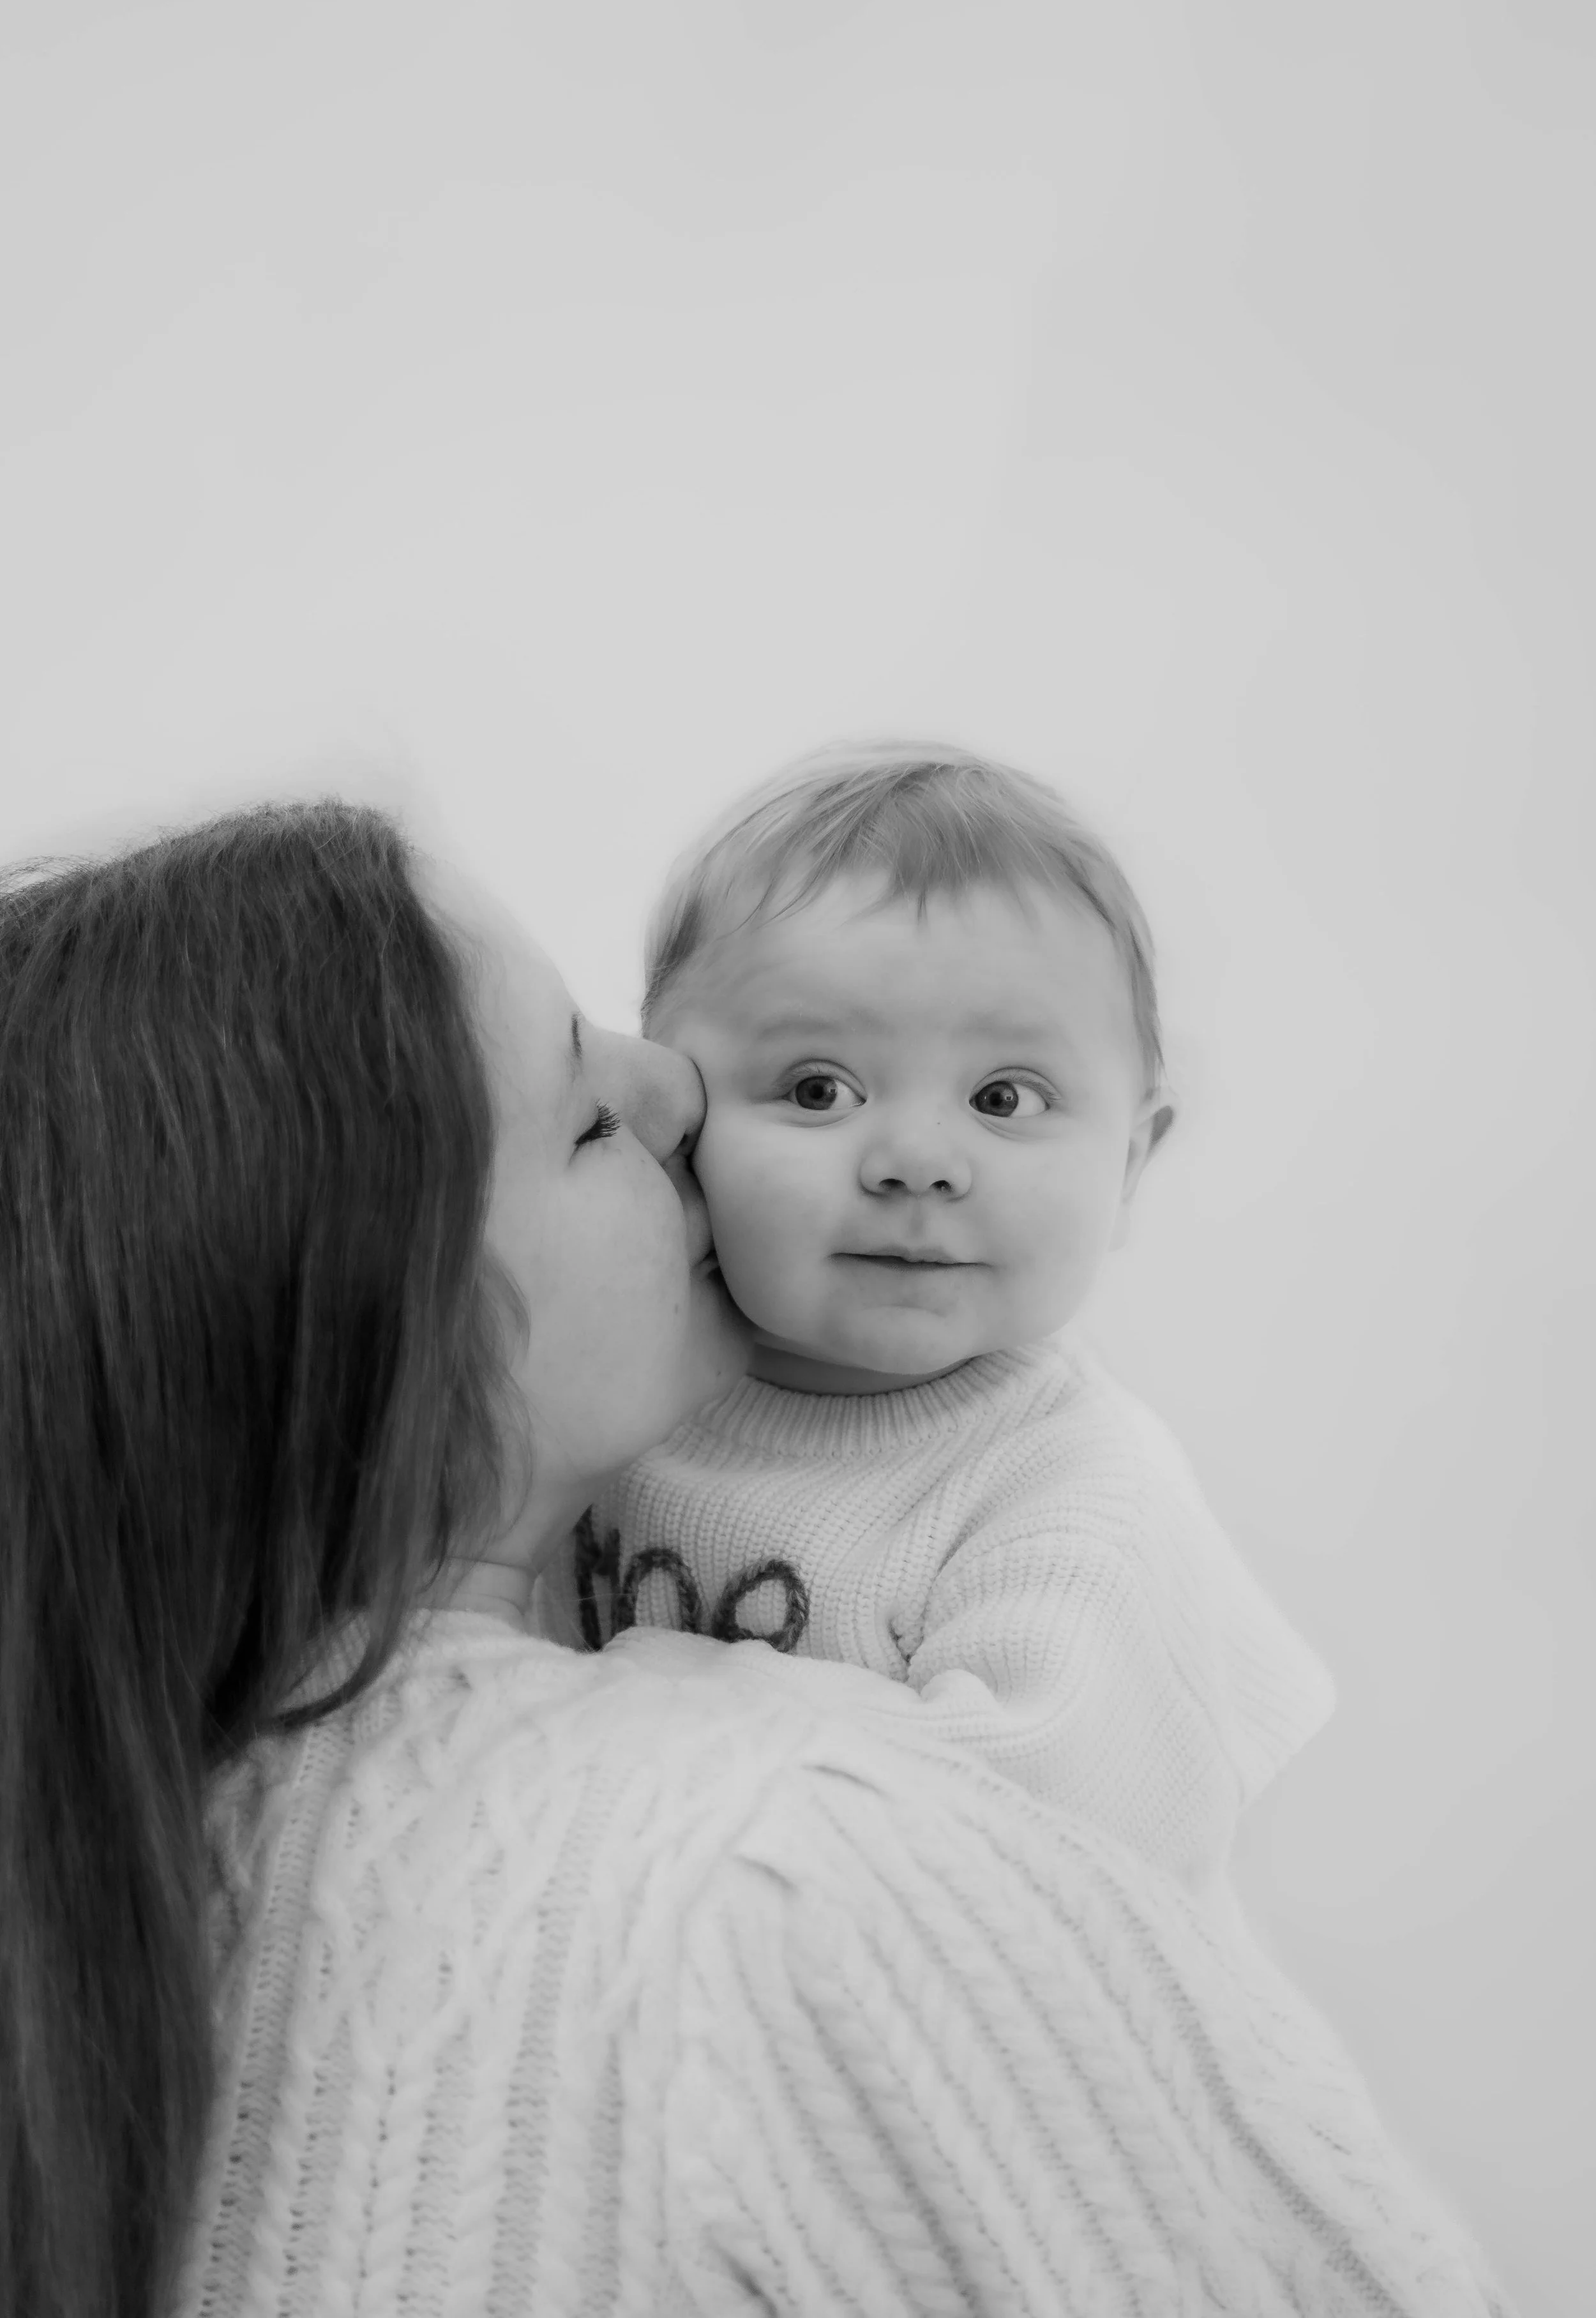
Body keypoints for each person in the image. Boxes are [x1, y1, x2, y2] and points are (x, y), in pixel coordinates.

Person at [0, 799, 1509, 2318]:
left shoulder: (124, 1830)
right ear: (377, 1320)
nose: (677, 1089)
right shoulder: (782, 1868)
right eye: (588, 1114)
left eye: (1005, 1094)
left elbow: (1071, 1831)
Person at [538, 743, 1333, 1892]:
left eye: (1005, 1098)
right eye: (819, 1089)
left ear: (1132, 1159)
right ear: (675, 1111)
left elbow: (1003, 1857)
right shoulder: (617, 1386)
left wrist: (645, 1693)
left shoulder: (1072, 1504)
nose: (917, 1162)